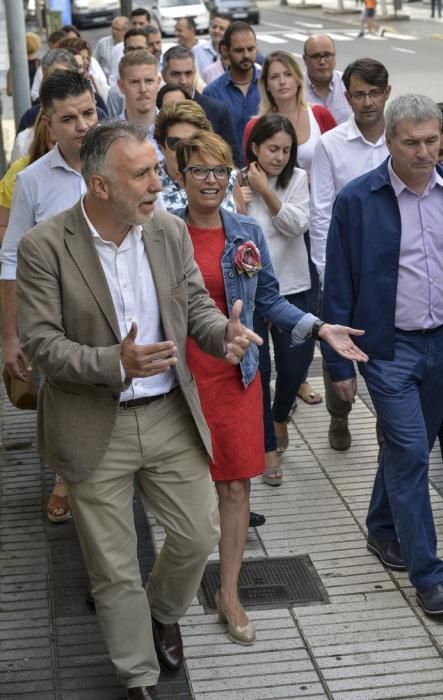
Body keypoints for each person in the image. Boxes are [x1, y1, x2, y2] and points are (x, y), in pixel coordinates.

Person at [16, 119, 264, 697]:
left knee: (197, 534)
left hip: (168, 413)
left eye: (156, 169)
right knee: (113, 567)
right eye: (144, 174)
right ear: (100, 186)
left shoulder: (168, 231)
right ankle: (138, 676)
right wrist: (114, 363)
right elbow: (40, 343)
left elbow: (194, 305)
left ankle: (160, 612)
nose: (159, 182)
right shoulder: (44, 246)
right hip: (90, 421)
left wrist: (218, 335)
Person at [173, 130, 368, 644]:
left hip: (238, 376)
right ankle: (167, 596)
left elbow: (271, 302)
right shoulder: (162, 235)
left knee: (236, 487)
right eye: (199, 171)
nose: (211, 180)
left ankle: (229, 592)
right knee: (187, 496)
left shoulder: (246, 233)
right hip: (181, 383)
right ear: (180, 176)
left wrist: (318, 326)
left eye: (220, 170)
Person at [322, 94, 443, 618]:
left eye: (432, 141)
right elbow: (339, 283)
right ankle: (429, 575)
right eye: (411, 142)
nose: (423, 152)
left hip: (441, 344)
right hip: (388, 351)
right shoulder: (357, 200)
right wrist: (337, 363)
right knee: (414, 453)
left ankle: (380, 527)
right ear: (389, 141)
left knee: (406, 448)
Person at [0, 71, 98, 524]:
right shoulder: (33, 181)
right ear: (48, 124)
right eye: (69, 118)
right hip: (55, 322)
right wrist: (10, 337)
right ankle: (65, 477)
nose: (82, 125)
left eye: (89, 113)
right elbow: (10, 260)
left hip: (117, 315)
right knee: (60, 406)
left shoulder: (121, 161)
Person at [310, 58, 390, 451]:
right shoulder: (331, 144)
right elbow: (321, 211)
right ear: (348, 97)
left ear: (387, 93)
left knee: (385, 352)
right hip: (346, 268)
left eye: (374, 93)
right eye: (359, 94)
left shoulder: (401, 138)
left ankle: (385, 427)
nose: (367, 102)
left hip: (390, 272)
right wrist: (328, 274)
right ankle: (338, 415)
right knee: (337, 345)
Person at [241, 113, 311, 485]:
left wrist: (266, 192)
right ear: (255, 148)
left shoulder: (297, 180)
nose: (280, 156)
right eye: (272, 149)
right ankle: (267, 450)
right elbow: (234, 232)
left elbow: (297, 224)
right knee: (259, 373)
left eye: (286, 150)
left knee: (295, 365)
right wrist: (242, 199)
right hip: (251, 295)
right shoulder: (237, 180)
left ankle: (280, 414)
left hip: (293, 286)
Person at [153, 101, 244, 216]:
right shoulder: (152, 186)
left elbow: (242, 226)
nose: (184, 150)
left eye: (193, 142)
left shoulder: (226, 176)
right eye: (175, 143)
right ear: (161, 147)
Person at [162, 46, 241, 166]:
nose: (183, 81)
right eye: (176, 74)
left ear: (195, 72)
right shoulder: (154, 110)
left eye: (188, 73)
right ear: (163, 75)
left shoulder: (217, 111)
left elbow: (233, 159)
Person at [203, 21, 261, 154]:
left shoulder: (269, 86)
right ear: (225, 50)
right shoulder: (212, 93)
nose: (246, 55)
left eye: (251, 49)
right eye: (239, 50)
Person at [0, 112, 54, 242]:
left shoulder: (96, 168)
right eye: (54, 143)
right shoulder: (21, 170)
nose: (62, 150)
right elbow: (2, 224)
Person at [117, 50, 161, 159]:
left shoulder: (175, 130)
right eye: (135, 82)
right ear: (121, 86)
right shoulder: (109, 137)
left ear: (158, 83)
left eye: (149, 81)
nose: (143, 89)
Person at [303, 35, 352, 126]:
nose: (322, 62)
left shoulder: (349, 83)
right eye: (316, 56)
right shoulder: (294, 88)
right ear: (305, 60)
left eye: (327, 55)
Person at [106, 28, 154, 119]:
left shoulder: (162, 85)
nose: (135, 53)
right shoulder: (115, 93)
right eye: (131, 49)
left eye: (140, 48)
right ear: (124, 52)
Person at [109, 8, 152, 88]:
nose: (137, 26)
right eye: (134, 23)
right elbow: (114, 78)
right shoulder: (118, 49)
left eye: (141, 23)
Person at [6, 32, 41, 96]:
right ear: (37, 45)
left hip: (22, 104)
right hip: (39, 103)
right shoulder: (42, 65)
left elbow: (10, 91)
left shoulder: (14, 68)